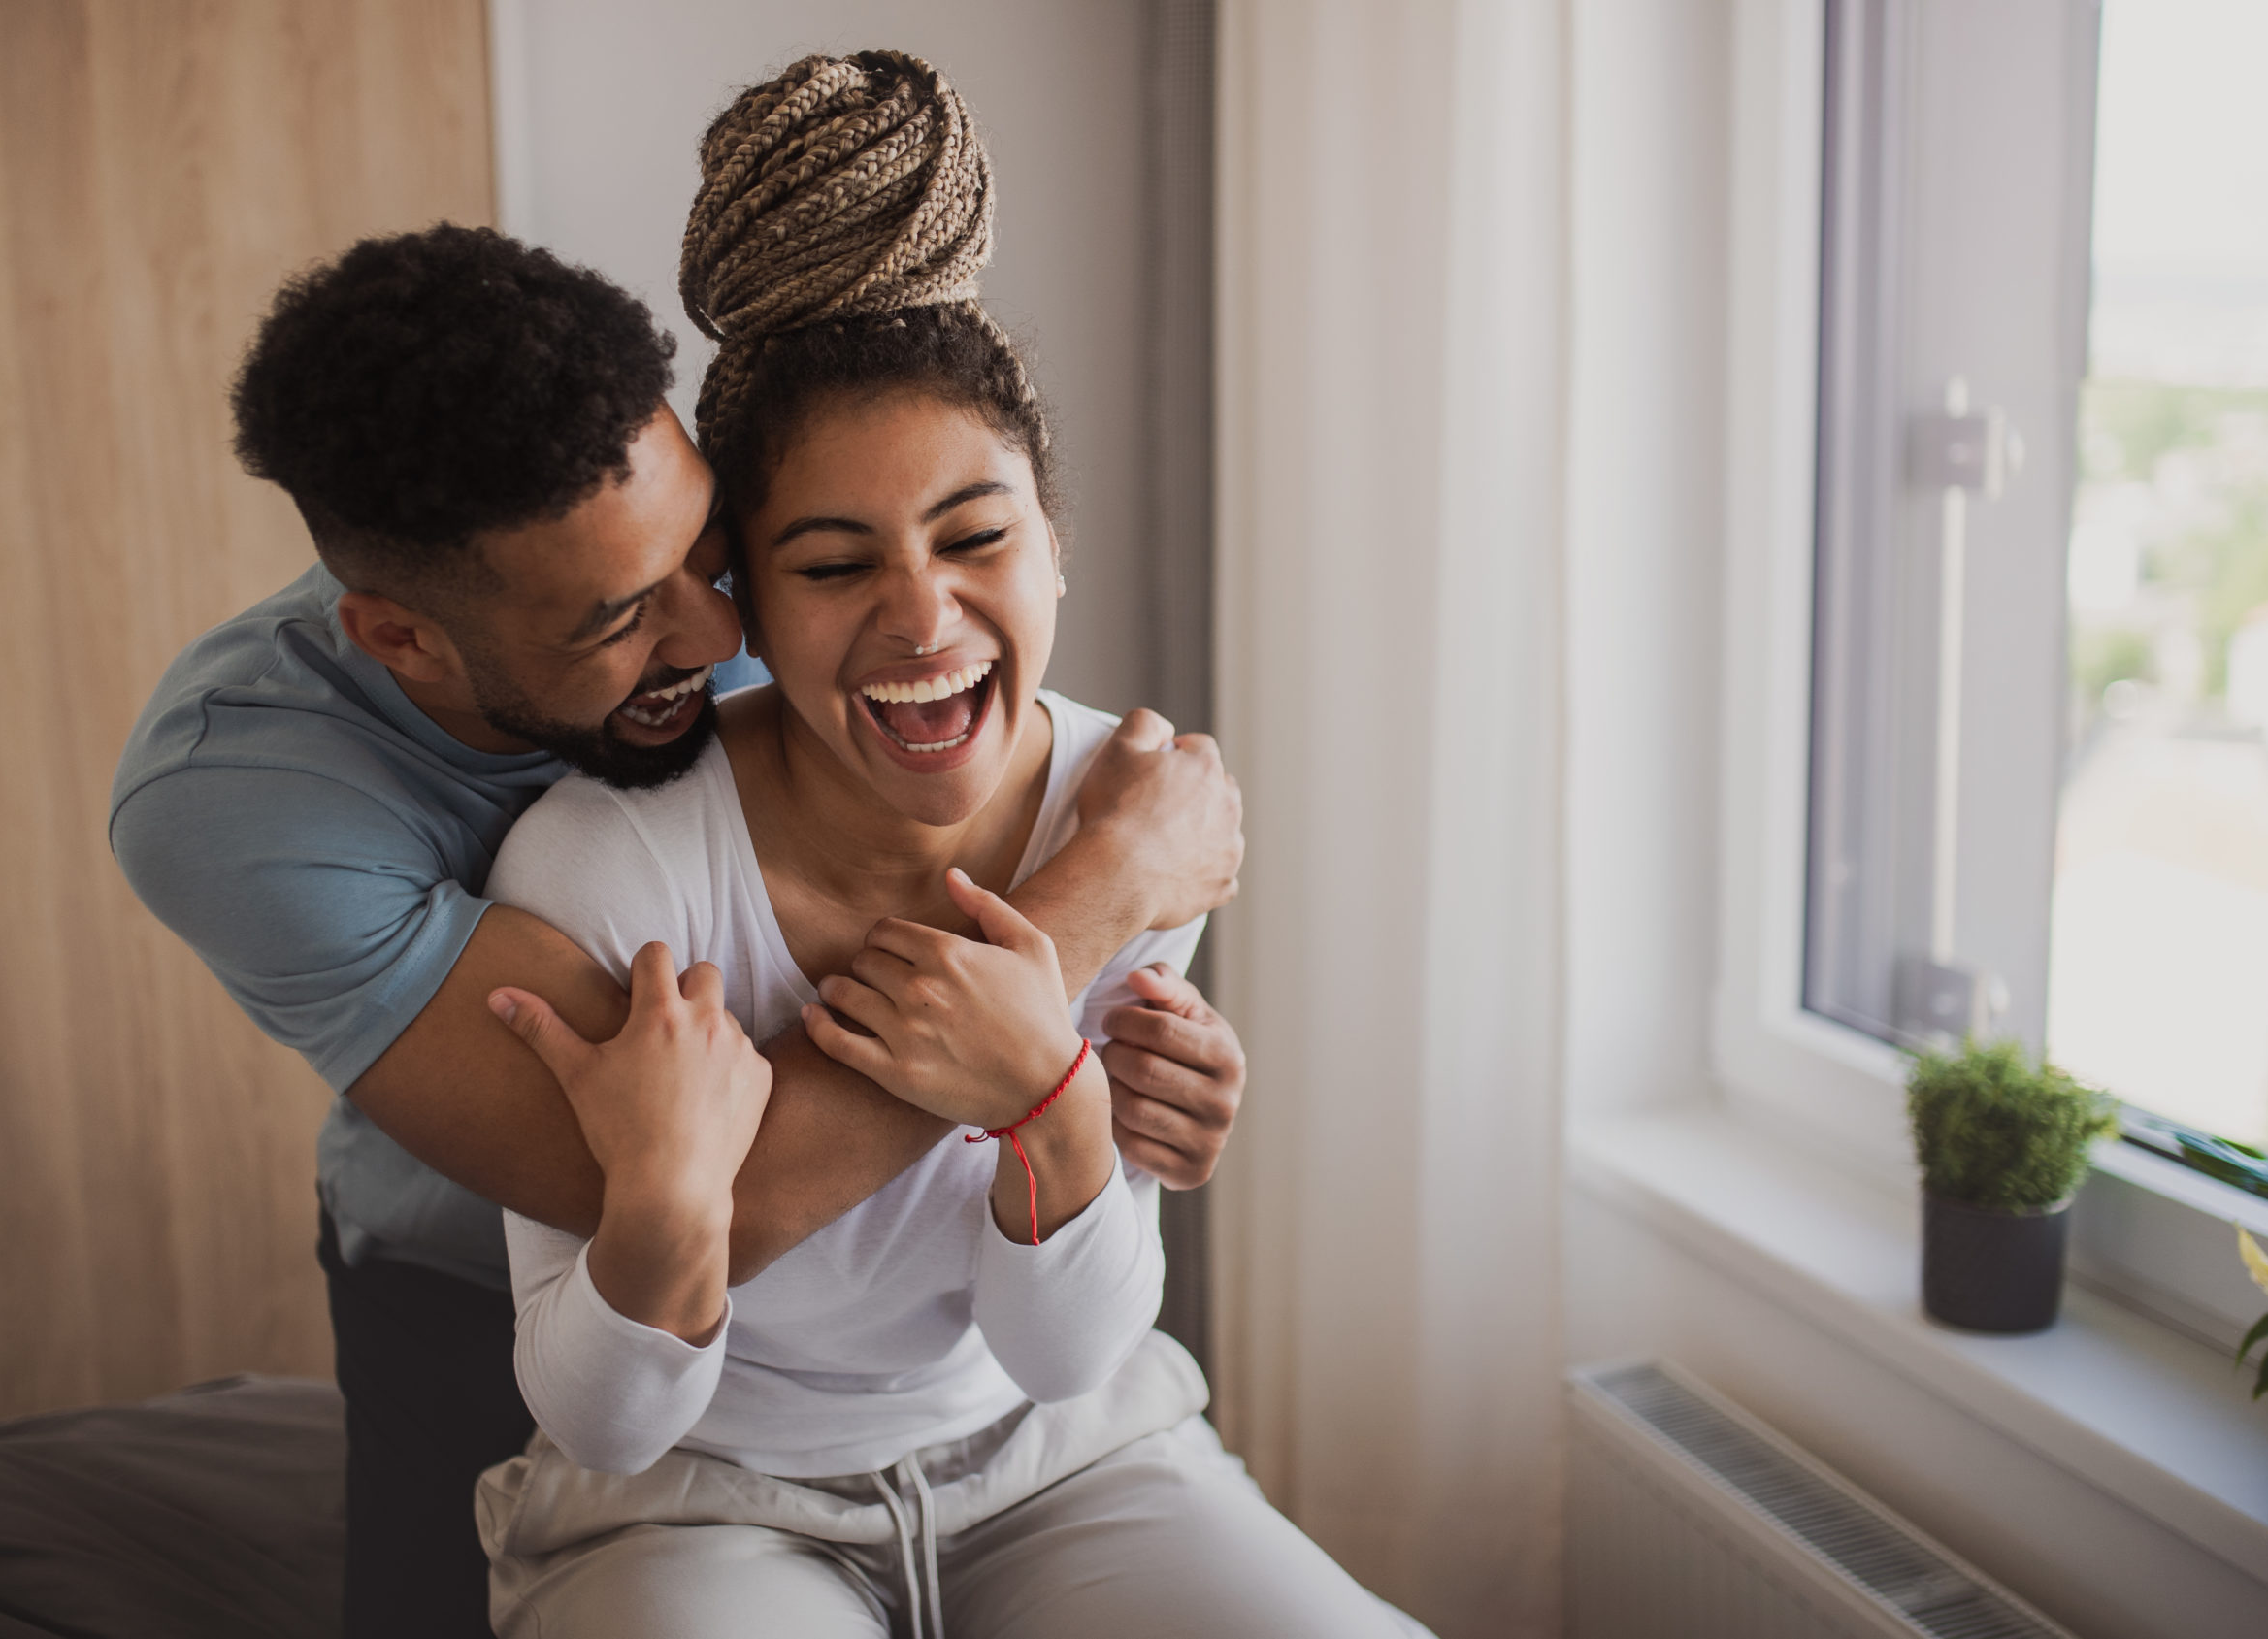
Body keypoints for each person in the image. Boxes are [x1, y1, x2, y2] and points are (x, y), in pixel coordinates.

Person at [110, 222, 1251, 1637]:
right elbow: (716, 1190)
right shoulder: (230, 795)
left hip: (946, 1364)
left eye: (711, 552)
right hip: (471, 1266)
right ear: (404, 639)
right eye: (623, 617)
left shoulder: (739, 577)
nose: (724, 638)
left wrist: (1112, 1078)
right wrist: (1093, 906)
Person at [470, 51, 1428, 1639]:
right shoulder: (606, 867)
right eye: (836, 564)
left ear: (1057, 543)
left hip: (1065, 1461)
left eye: (978, 537)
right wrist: (658, 1203)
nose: (924, 617)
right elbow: (606, 1418)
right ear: (748, 606)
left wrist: (1062, 1112)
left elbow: (1068, 1352)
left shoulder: (1123, 807)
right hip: (692, 1504)